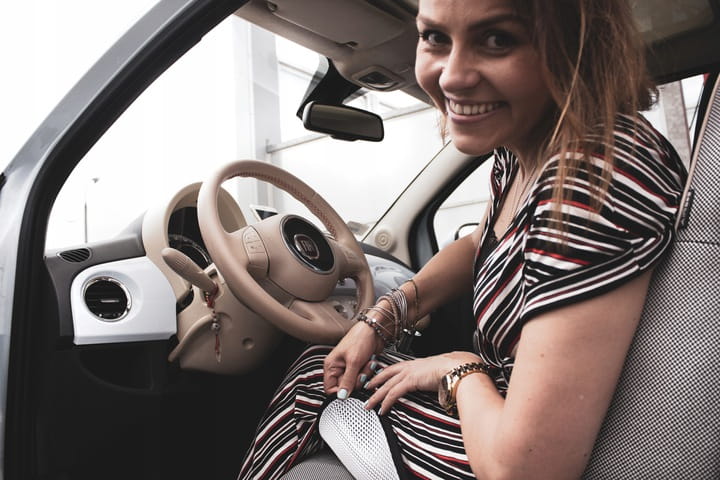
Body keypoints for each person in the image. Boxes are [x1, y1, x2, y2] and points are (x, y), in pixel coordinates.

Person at [238, 0, 687, 478]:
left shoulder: (591, 179)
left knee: (314, 379)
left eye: (497, 40)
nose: (452, 77)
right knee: (325, 368)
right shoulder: (528, 145)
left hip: (513, 446)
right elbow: (480, 244)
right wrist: (381, 318)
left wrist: (458, 370)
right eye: (435, 37)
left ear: (577, 47)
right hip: (500, 407)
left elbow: (525, 471)